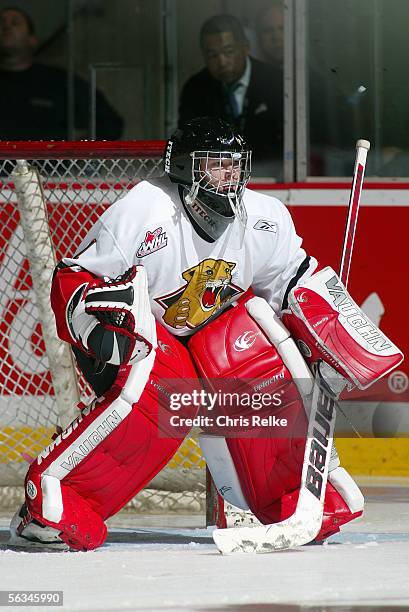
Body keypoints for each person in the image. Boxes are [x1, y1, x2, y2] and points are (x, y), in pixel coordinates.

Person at [9, 117, 402, 551]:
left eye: (235, 167)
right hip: (136, 340)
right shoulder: (144, 211)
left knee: (253, 350)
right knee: (163, 386)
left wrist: (329, 323)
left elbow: (292, 280)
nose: (228, 177)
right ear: (183, 167)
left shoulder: (265, 219)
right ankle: (52, 506)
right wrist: (95, 326)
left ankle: (296, 493)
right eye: (216, 165)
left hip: (206, 332)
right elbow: (75, 279)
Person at [178, 15, 283, 177]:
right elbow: (187, 145)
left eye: (228, 51)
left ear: (246, 48)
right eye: (213, 55)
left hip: (271, 176)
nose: (222, 62)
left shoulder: (276, 82)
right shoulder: (195, 89)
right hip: (217, 180)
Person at [0, 6, 123, 140]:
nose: (6, 27)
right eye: (1, 23)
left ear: (32, 40)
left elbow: (111, 124)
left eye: (15, 23)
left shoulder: (59, 81)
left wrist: (78, 151)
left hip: (48, 161)